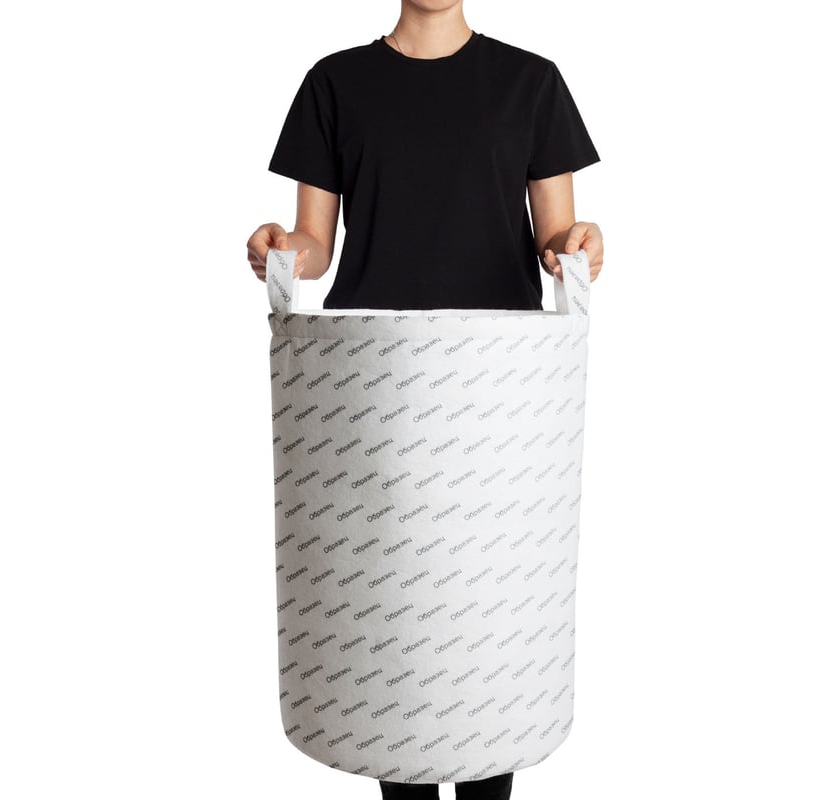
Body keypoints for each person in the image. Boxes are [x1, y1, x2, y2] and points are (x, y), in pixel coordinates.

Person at [246, 2, 603, 797]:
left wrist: (577, 245)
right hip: (372, 397)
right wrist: (283, 250)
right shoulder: (335, 83)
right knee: (389, 633)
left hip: (502, 398)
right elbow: (315, 243)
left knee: (490, 623)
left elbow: (557, 236)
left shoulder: (531, 84)